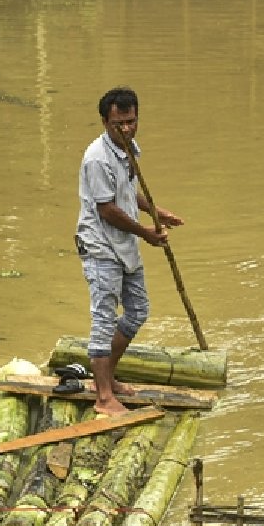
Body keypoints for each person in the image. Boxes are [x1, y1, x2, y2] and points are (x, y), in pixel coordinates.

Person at [75, 87, 183, 416]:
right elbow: (107, 209)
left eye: (131, 122)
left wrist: (156, 211)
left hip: (125, 243)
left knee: (137, 311)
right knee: (104, 318)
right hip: (101, 245)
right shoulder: (97, 158)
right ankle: (104, 398)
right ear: (105, 122)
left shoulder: (128, 149)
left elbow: (127, 192)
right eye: (119, 124)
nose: (126, 129)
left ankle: (105, 378)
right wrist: (146, 234)